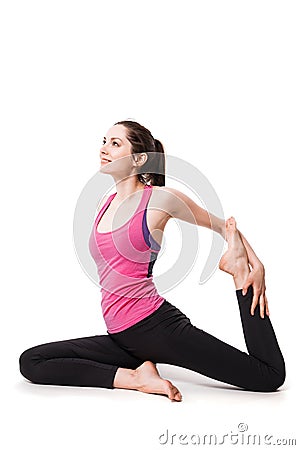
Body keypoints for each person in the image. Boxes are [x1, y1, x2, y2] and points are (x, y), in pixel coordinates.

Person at [19, 120, 285, 402]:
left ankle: (240, 276)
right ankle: (136, 377)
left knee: (268, 376)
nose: (103, 148)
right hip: (123, 336)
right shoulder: (105, 204)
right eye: (104, 140)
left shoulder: (160, 200)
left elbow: (223, 226)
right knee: (31, 361)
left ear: (139, 159)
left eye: (115, 143)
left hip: (157, 329)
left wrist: (253, 263)